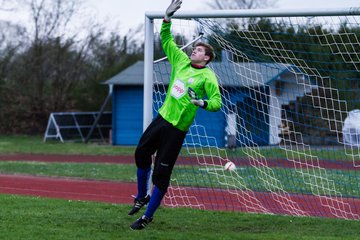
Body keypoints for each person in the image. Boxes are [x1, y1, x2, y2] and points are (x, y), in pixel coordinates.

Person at [129, 0, 222, 230]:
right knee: (141, 153)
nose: (194, 50)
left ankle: (147, 217)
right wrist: (167, 18)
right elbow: (167, 40)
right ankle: (141, 196)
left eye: (199, 50)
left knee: (161, 174)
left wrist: (201, 102)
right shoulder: (181, 61)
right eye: (194, 48)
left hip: (176, 130)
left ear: (207, 58)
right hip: (161, 118)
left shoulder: (208, 78)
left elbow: (217, 103)